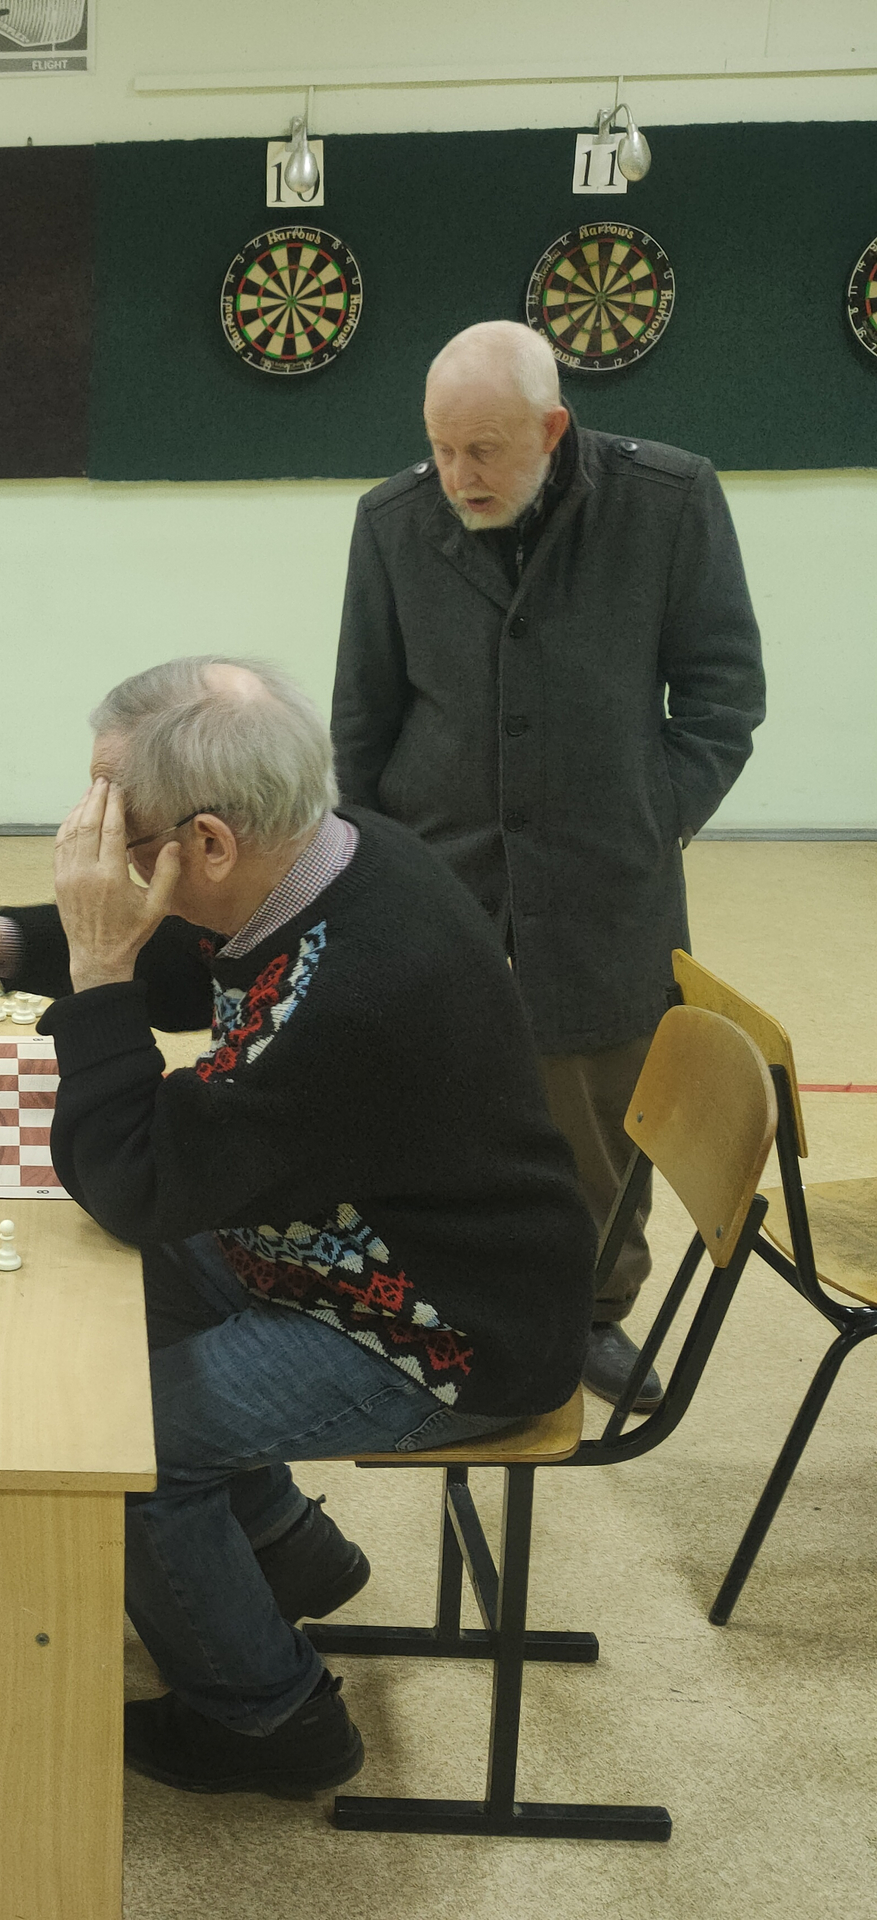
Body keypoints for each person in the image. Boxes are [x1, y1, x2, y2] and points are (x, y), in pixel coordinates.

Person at [0, 656, 595, 1797]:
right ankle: (283, 1553)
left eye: (120, 832)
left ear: (208, 842)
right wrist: (13, 941)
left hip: (450, 1328)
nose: (100, 855)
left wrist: (97, 970)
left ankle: (269, 1721)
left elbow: (135, 1180)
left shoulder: (349, 994)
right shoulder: (329, 852)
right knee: (133, 1289)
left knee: (123, 1443)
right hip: (374, 1240)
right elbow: (193, 959)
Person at [330, 319, 766, 1412]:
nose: (457, 476)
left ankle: (591, 1314)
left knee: (599, 1107)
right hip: (442, 868)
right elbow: (362, 721)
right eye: (440, 449)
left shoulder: (669, 502)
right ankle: (444, 1294)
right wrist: (376, 871)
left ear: (553, 427)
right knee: (438, 1092)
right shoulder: (389, 522)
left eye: (483, 450)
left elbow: (723, 696)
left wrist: (649, 816)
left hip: (606, 877)